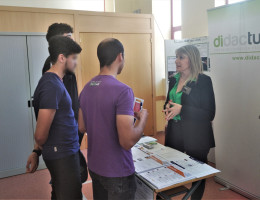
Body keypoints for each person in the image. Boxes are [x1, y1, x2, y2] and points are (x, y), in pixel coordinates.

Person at [78, 38, 149, 200]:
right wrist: (142, 119)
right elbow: (127, 141)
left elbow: (82, 126)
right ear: (120, 57)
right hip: (117, 172)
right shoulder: (123, 91)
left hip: (95, 167)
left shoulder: (87, 87)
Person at [26, 23, 87, 180]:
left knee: (64, 187)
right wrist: (37, 149)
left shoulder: (63, 68)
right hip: (62, 145)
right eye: (69, 39)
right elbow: (49, 112)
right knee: (69, 185)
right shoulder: (54, 72)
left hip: (68, 140)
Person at [163, 45, 216, 200]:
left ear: (191, 59)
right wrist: (167, 107)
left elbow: (209, 113)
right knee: (170, 170)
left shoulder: (204, 81)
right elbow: (169, 102)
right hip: (175, 133)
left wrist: (182, 109)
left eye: (181, 57)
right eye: (176, 57)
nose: (176, 61)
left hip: (197, 135)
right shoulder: (173, 79)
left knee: (197, 175)